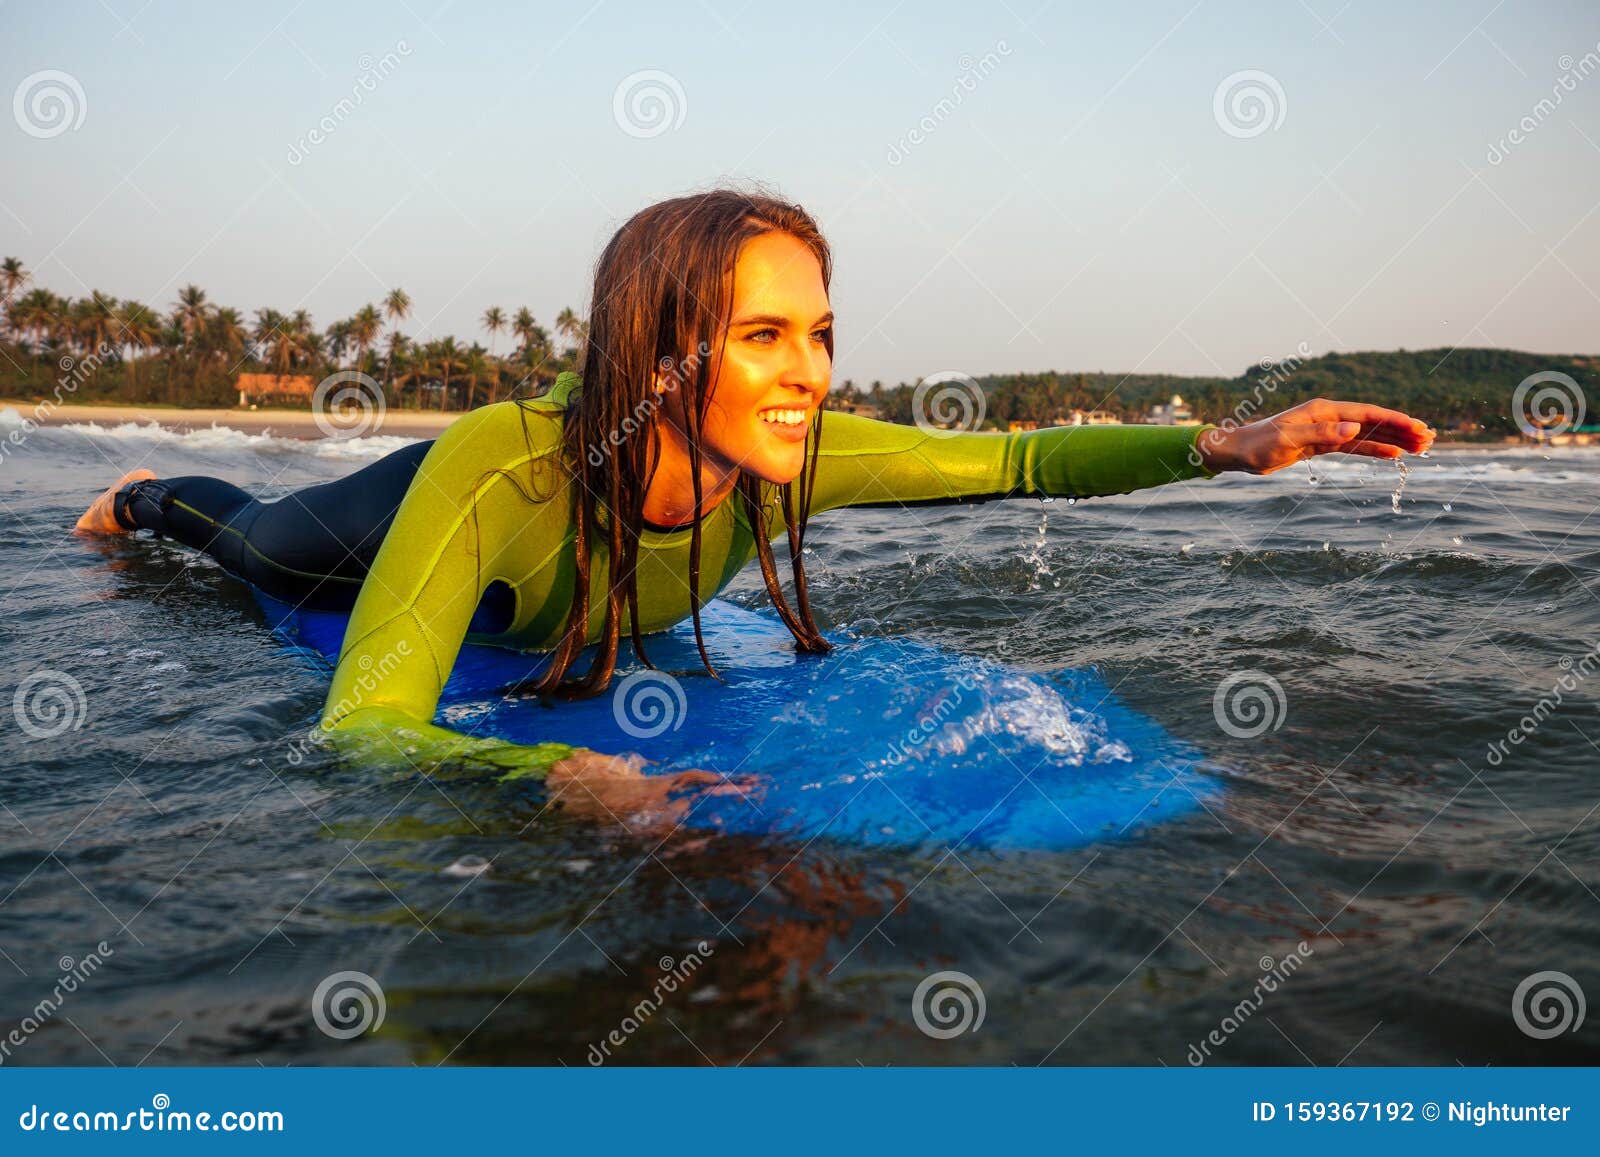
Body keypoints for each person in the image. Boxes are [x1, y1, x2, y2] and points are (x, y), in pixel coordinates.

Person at [75, 188, 1435, 827]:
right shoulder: (512, 466)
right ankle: (141, 494)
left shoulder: (798, 455)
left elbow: (1017, 463)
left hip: (558, 593)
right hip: (395, 522)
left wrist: (1223, 444)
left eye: (820, 333)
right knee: (253, 546)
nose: (810, 374)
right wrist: (549, 770)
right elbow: (363, 726)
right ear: (667, 350)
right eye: (767, 337)